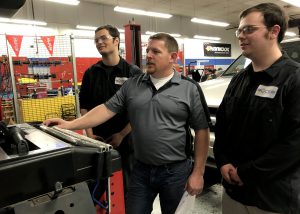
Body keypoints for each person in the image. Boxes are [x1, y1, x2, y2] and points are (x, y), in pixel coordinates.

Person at [44, 33, 210, 214]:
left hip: (175, 172)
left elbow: (202, 131)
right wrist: (68, 125)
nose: (149, 55)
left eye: (156, 51)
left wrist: (198, 173)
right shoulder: (133, 85)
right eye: (148, 50)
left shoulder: (189, 88)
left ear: (172, 57)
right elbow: (105, 110)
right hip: (141, 170)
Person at [213, 3, 300, 214]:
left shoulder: (294, 78)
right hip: (233, 192)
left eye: (249, 29)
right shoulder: (239, 79)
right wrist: (223, 161)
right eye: (239, 30)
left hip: (271, 199)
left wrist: (246, 173)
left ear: (274, 31)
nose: (241, 36)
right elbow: (222, 125)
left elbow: (294, 143)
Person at [79, 25, 142, 194]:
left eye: (103, 38)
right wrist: (90, 134)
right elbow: (84, 105)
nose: (99, 42)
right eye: (96, 40)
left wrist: (122, 134)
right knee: (96, 186)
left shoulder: (133, 72)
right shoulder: (91, 73)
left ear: (116, 41)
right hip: (97, 140)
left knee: (127, 187)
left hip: (127, 140)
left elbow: (141, 110)